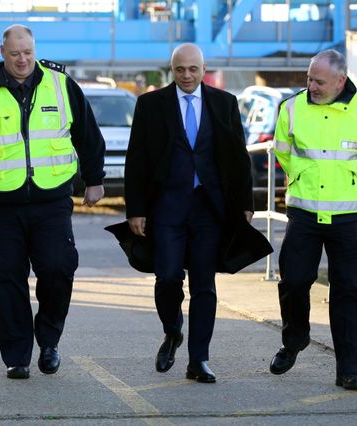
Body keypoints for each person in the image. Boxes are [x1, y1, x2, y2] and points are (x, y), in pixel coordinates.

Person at [0, 25, 105, 379]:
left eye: (27, 51)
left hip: (52, 199)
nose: (22, 59)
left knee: (59, 268)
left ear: (34, 49)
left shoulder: (61, 84)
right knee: (5, 277)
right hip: (1, 205)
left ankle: (48, 340)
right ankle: (17, 356)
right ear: (2, 52)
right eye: (15, 53)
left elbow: (88, 134)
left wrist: (95, 179)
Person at [124, 43, 255, 383]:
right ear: (172, 70)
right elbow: (136, 159)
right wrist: (135, 209)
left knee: (205, 286)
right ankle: (172, 330)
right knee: (167, 277)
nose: (186, 76)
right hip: (167, 207)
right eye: (180, 70)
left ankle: (199, 359)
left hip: (209, 209)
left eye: (193, 69)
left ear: (203, 69)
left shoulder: (224, 103)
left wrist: (245, 204)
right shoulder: (150, 105)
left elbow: (238, 157)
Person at [269, 49, 357, 390]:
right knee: (293, 280)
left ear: (341, 80)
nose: (312, 86)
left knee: (348, 291)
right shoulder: (291, 107)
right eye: (309, 79)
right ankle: (295, 339)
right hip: (304, 211)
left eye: (319, 81)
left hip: (348, 215)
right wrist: (302, 176)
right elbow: (283, 150)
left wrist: (351, 182)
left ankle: (349, 370)